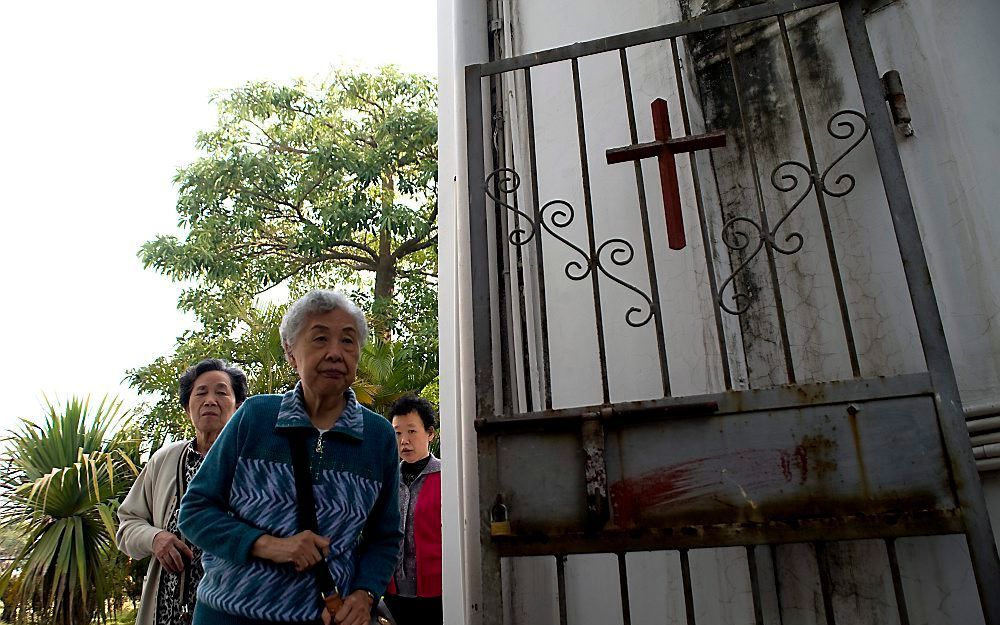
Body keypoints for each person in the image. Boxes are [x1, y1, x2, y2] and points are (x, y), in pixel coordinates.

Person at [178, 289, 402, 625]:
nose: (335, 353)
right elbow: (195, 512)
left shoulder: (378, 436)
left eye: (348, 341)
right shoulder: (255, 417)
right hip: (228, 614)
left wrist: (364, 593)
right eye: (320, 338)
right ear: (291, 353)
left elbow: (385, 537)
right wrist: (269, 545)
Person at [117, 359, 249, 625]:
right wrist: (155, 538)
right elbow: (127, 525)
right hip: (167, 610)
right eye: (200, 393)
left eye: (221, 392)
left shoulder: (252, 462)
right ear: (188, 408)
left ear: (238, 407)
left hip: (234, 605)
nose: (210, 400)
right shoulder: (164, 460)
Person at [384, 396, 442, 625]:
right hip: (392, 593)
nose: (404, 441)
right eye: (397, 433)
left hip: (437, 592)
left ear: (430, 434)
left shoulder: (448, 478)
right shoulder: (386, 481)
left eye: (411, 432)